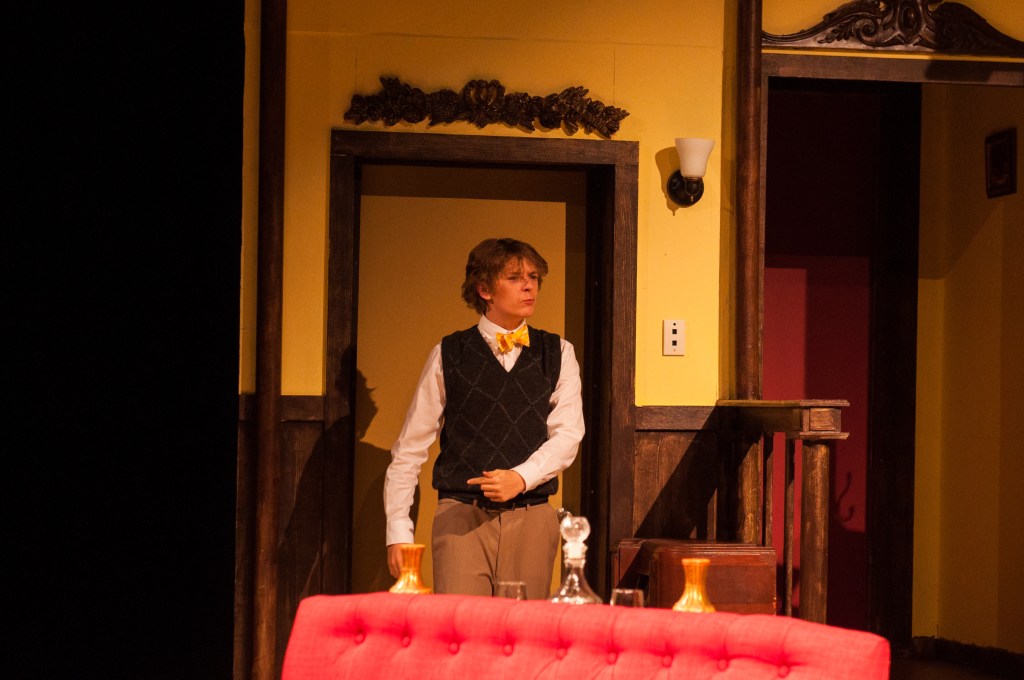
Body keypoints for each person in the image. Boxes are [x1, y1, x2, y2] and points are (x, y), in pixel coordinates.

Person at [384, 237, 585, 600]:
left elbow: (568, 435)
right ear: (484, 289)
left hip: (532, 516)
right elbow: (409, 449)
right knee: (461, 627)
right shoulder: (450, 353)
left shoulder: (558, 352)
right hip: (462, 517)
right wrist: (398, 531)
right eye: (515, 278)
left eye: (534, 277)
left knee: (523, 629)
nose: (529, 286)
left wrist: (520, 478)